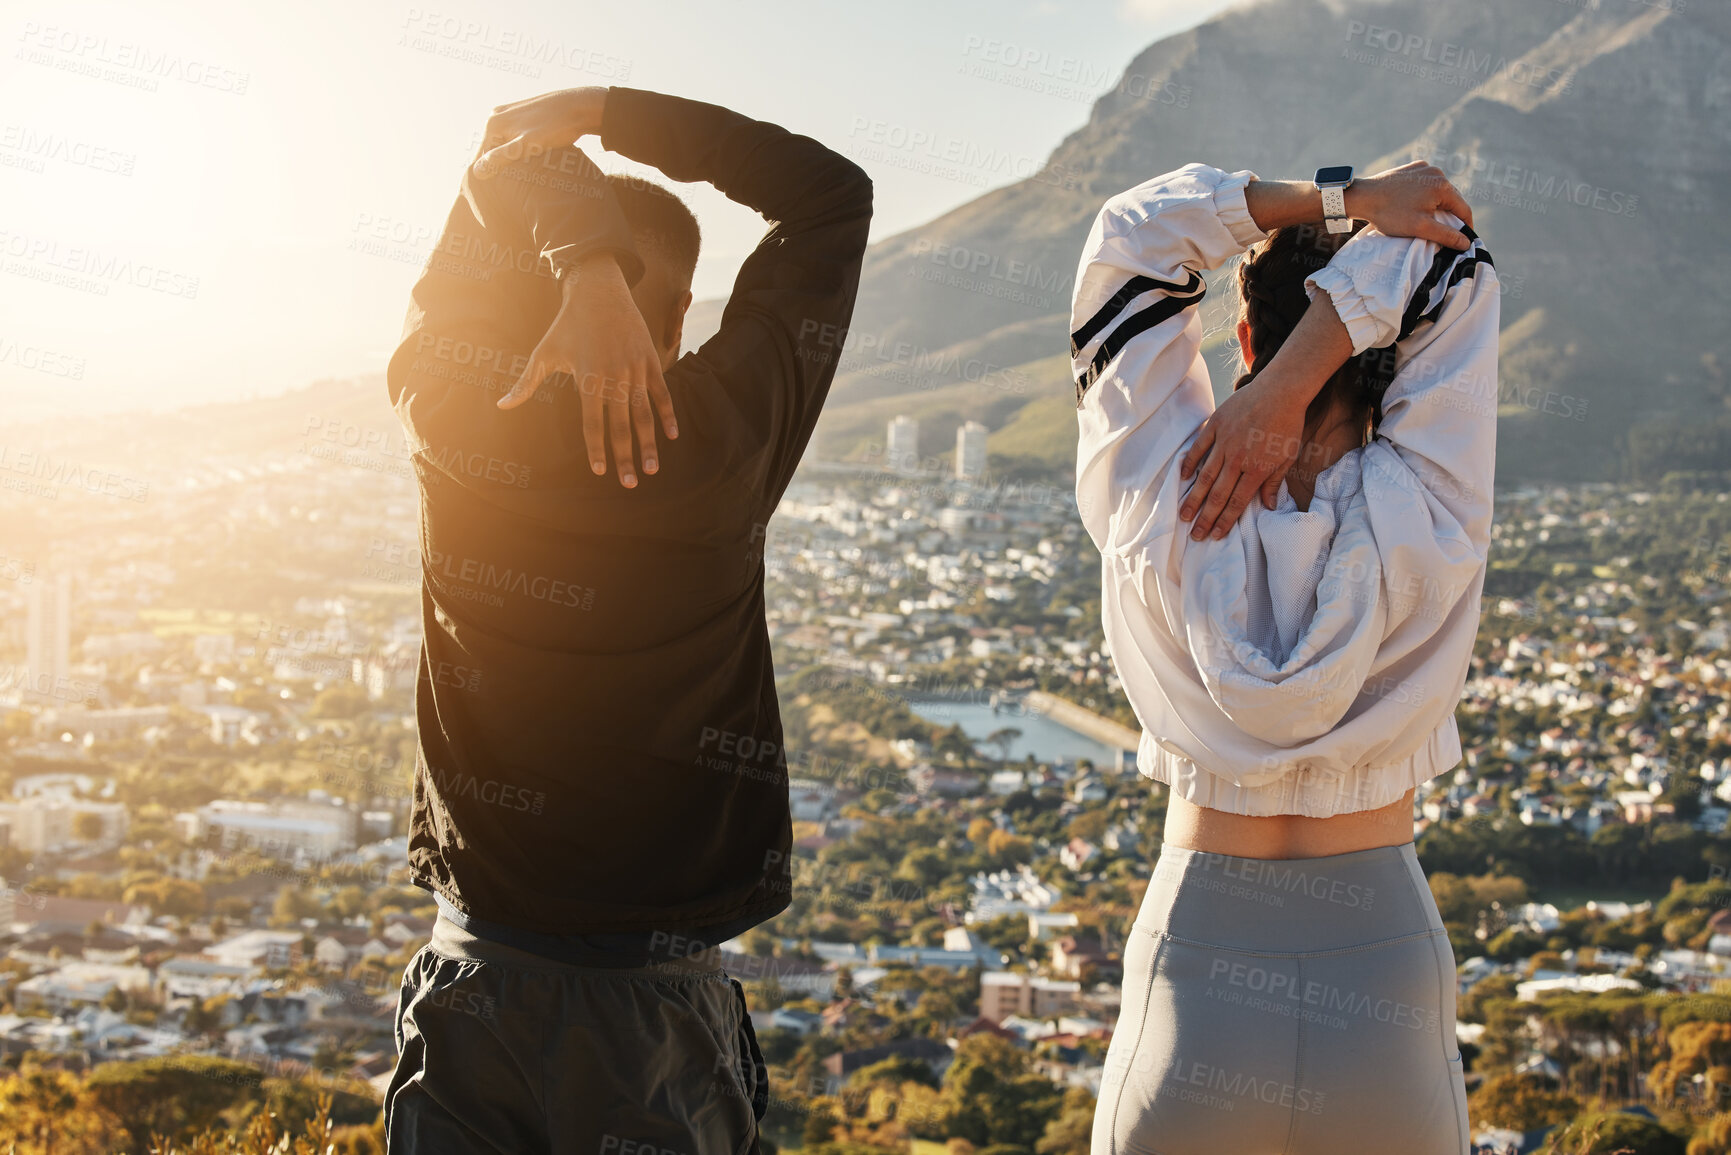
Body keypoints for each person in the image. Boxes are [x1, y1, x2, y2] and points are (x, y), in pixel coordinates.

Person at [379, 85, 872, 1154]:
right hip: (654, 1025)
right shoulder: (722, 437)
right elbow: (829, 196)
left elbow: (501, 145)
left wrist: (584, 262)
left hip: (476, 989)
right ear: (683, 311)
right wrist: (606, 109)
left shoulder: (453, 416)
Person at [1069, 161, 1498, 1154]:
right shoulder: (1432, 502)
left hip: (1200, 957)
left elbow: (1133, 233)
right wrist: (1308, 370)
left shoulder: (1155, 483)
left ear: (1243, 336)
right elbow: (1460, 268)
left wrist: (1342, 201)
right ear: (1397, 357)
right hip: (1384, 961)